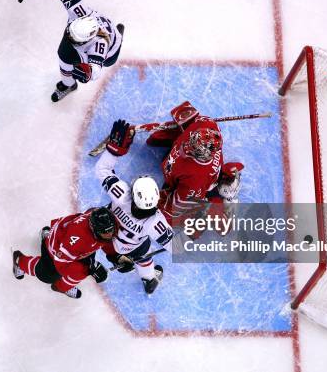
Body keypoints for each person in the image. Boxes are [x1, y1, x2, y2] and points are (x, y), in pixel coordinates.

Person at [95, 120, 173, 294]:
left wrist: (114, 150)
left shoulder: (122, 194)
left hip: (104, 235)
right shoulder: (154, 223)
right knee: (142, 253)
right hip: (130, 247)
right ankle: (149, 278)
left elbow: (102, 170)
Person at [146, 101, 244, 231]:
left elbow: (176, 208)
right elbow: (185, 113)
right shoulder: (208, 124)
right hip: (191, 174)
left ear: (203, 156)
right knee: (154, 139)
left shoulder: (195, 179)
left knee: (167, 217)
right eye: (192, 141)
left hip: (195, 186)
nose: (187, 147)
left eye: (193, 149)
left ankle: (220, 210)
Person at [37, 0, 124, 102]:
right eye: (71, 33)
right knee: (63, 55)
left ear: (86, 39)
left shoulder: (98, 45)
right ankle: (68, 85)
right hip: (98, 31)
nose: (69, 37)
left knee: (109, 61)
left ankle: (119, 36)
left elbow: (96, 67)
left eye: (73, 38)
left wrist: (88, 72)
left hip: (110, 49)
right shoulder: (79, 12)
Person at [12, 207, 117, 299]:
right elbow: (61, 263)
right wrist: (90, 267)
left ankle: (47, 237)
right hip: (58, 250)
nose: (110, 234)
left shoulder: (101, 218)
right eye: (105, 232)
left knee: (82, 269)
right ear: (94, 229)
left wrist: (116, 257)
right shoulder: (77, 241)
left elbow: (108, 238)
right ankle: (19, 261)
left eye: (111, 230)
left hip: (65, 238)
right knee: (47, 275)